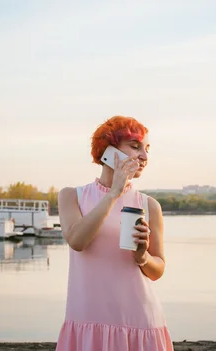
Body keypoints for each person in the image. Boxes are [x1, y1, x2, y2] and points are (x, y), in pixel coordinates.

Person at [56, 116, 173, 351]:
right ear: (108, 150)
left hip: (140, 323)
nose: (144, 157)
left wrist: (142, 257)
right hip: (87, 322)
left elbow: (158, 269)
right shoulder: (71, 196)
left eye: (147, 149)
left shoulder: (149, 205)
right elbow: (77, 241)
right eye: (135, 146)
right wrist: (113, 194)